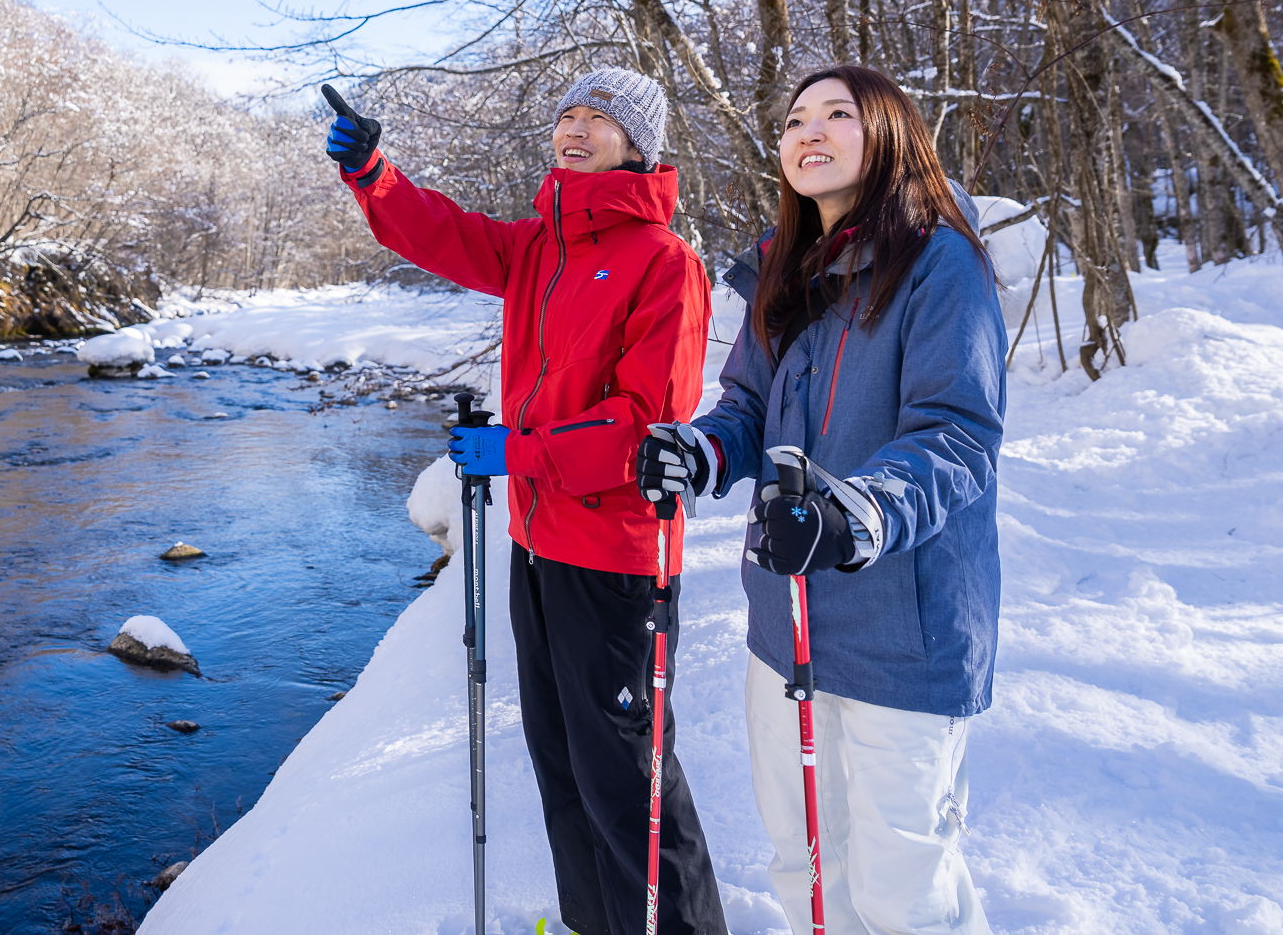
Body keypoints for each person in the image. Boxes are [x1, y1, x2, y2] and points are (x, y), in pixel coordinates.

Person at [325, 69, 728, 935]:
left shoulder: (666, 263)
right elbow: (445, 234)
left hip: (617, 559)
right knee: (563, 766)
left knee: (628, 778)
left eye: (597, 118)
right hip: (540, 549)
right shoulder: (540, 246)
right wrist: (374, 175)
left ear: (638, 145)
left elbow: (645, 426)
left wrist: (521, 452)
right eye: (566, 115)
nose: (573, 129)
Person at [637, 64, 1005, 935]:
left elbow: (957, 431)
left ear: (890, 132)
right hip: (785, 623)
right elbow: (747, 405)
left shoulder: (940, 259)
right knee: (805, 866)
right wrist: (702, 450)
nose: (810, 130)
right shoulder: (784, 266)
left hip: (901, 632)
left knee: (903, 893)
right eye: (796, 118)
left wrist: (857, 511)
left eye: (839, 113)